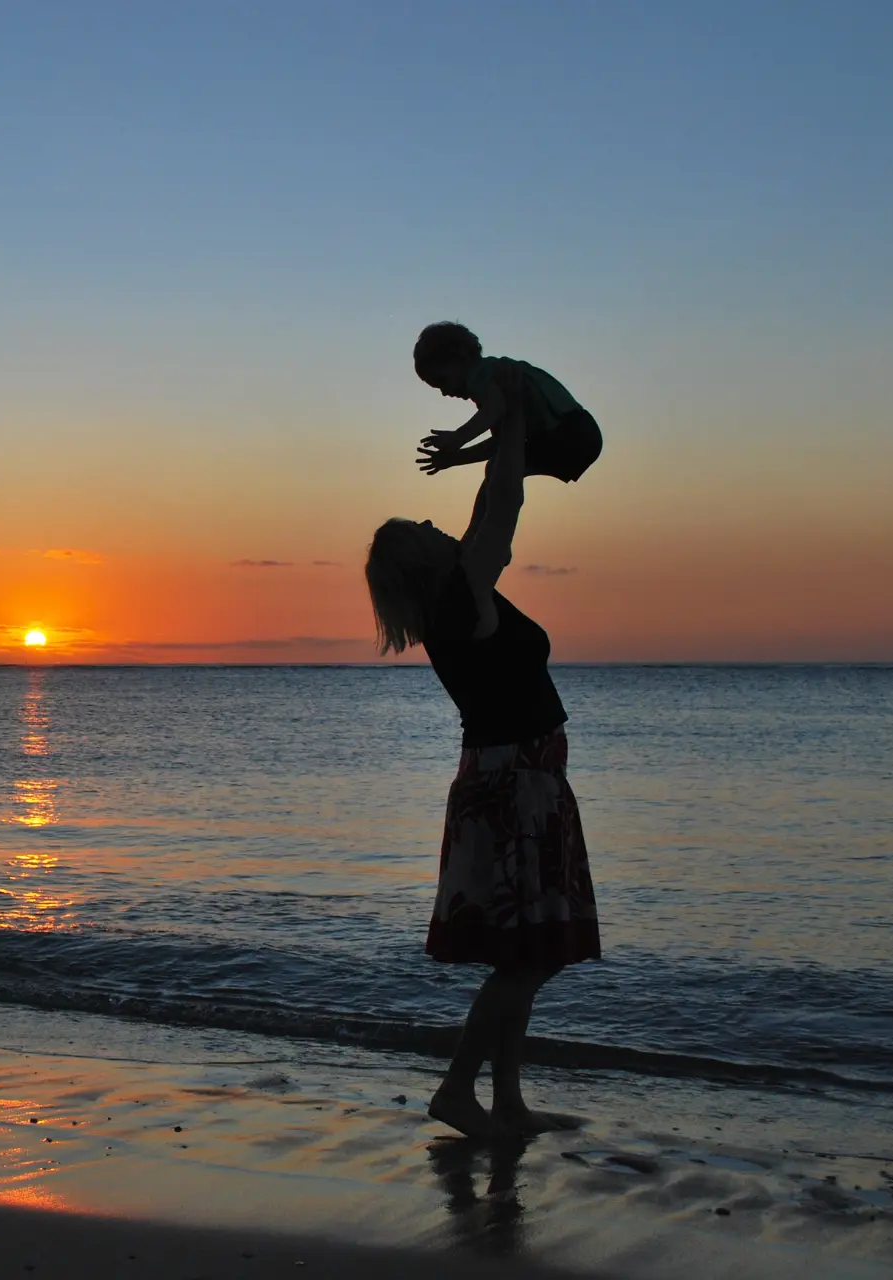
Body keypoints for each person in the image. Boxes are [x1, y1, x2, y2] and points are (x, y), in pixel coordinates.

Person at [364, 397, 601, 1140]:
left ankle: (508, 1102)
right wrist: (513, 432)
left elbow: (489, 502)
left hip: (515, 783)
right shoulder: (463, 602)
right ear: (424, 560)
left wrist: (504, 434)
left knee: (525, 953)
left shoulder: (459, 601)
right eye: (424, 530)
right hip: (514, 791)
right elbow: (503, 502)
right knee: (527, 962)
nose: (439, 528)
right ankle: (458, 1091)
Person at [411, 322, 601, 516]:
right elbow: (501, 443)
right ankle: (479, 535)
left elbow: (495, 408)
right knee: (499, 467)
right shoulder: (493, 383)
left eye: (443, 381)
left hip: (571, 432)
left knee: (499, 472)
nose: (445, 392)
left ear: (459, 359)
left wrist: (458, 438)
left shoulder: (485, 374)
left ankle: (479, 538)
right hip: (580, 434)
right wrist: (455, 458)